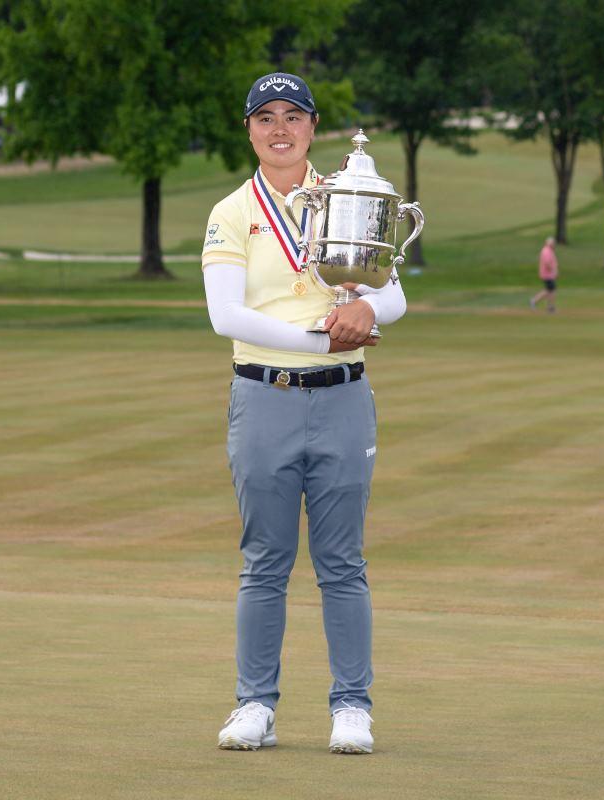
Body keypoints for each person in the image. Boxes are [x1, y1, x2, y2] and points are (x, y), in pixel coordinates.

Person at [203, 72, 407, 755]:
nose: (280, 129)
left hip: (343, 399)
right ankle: (254, 704)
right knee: (265, 560)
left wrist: (365, 310)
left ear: (314, 127)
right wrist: (326, 333)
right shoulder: (233, 212)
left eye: (293, 116)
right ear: (250, 130)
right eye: (266, 118)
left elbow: (394, 297)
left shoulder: (348, 195)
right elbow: (224, 314)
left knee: (342, 561)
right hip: (263, 397)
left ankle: (352, 706)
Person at [530, 236, 558, 313]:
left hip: (549, 274)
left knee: (549, 290)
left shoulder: (549, 251)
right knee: (551, 290)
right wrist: (553, 270)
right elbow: (547, 263)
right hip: (547, 274)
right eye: (553, 243)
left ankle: (536, 301)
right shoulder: (546, 251)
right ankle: (549, 306)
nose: (554, 245)